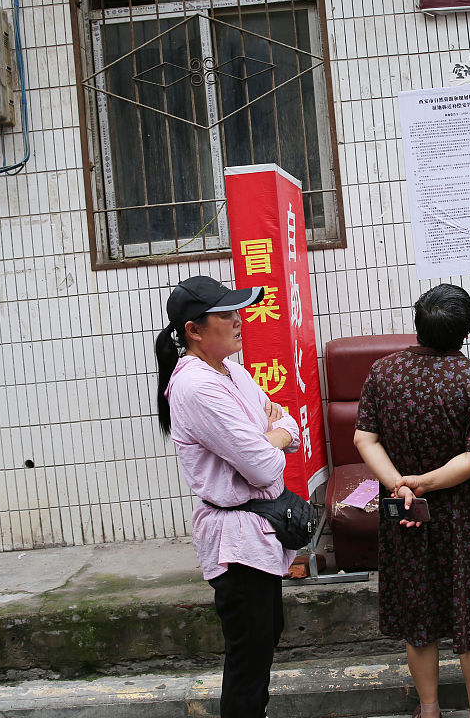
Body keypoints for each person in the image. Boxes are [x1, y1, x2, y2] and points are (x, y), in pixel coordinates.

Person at [354, 283, 470, 718]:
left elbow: (364, 438)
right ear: (465, 331)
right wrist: (422, 481)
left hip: (408, 513)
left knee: (418, 609)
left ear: (418, 324)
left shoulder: (383, 372)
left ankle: (429, 710)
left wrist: (400, 485)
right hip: (467, 514)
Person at [153, 275, 302, 718]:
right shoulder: (197, 386)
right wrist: (272, 434)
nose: (239, 321)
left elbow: (288, 423)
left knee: (263, 638)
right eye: (226, 315)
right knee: (248, 658)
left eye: (238, 312)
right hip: (236, 541)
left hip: (257, 531)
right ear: (193, 331)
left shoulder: (230, 370)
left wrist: (272, 433)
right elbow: (262, 464)